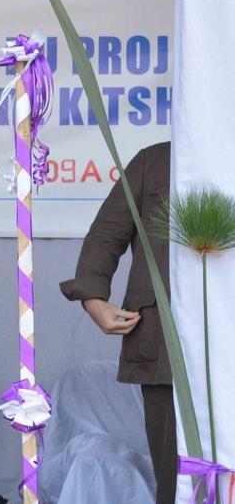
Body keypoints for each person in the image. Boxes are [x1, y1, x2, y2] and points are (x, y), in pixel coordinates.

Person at [60, 141, 174, 504]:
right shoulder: (154, 160)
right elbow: (106, 234)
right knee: (175, 475)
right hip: (164, 345)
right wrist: (93, 298)